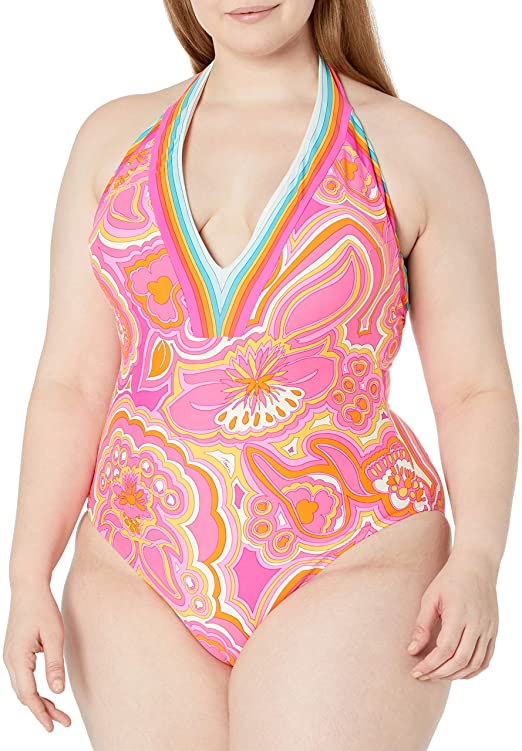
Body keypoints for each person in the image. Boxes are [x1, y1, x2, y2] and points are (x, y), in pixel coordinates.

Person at [3, 1, 518, 749]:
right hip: (135, 567)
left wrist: (478, 558)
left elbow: (475, 390)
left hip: (355, 554)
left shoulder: (416, 151)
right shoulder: (111, 143)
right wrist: (27, 576)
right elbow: (70, 384)